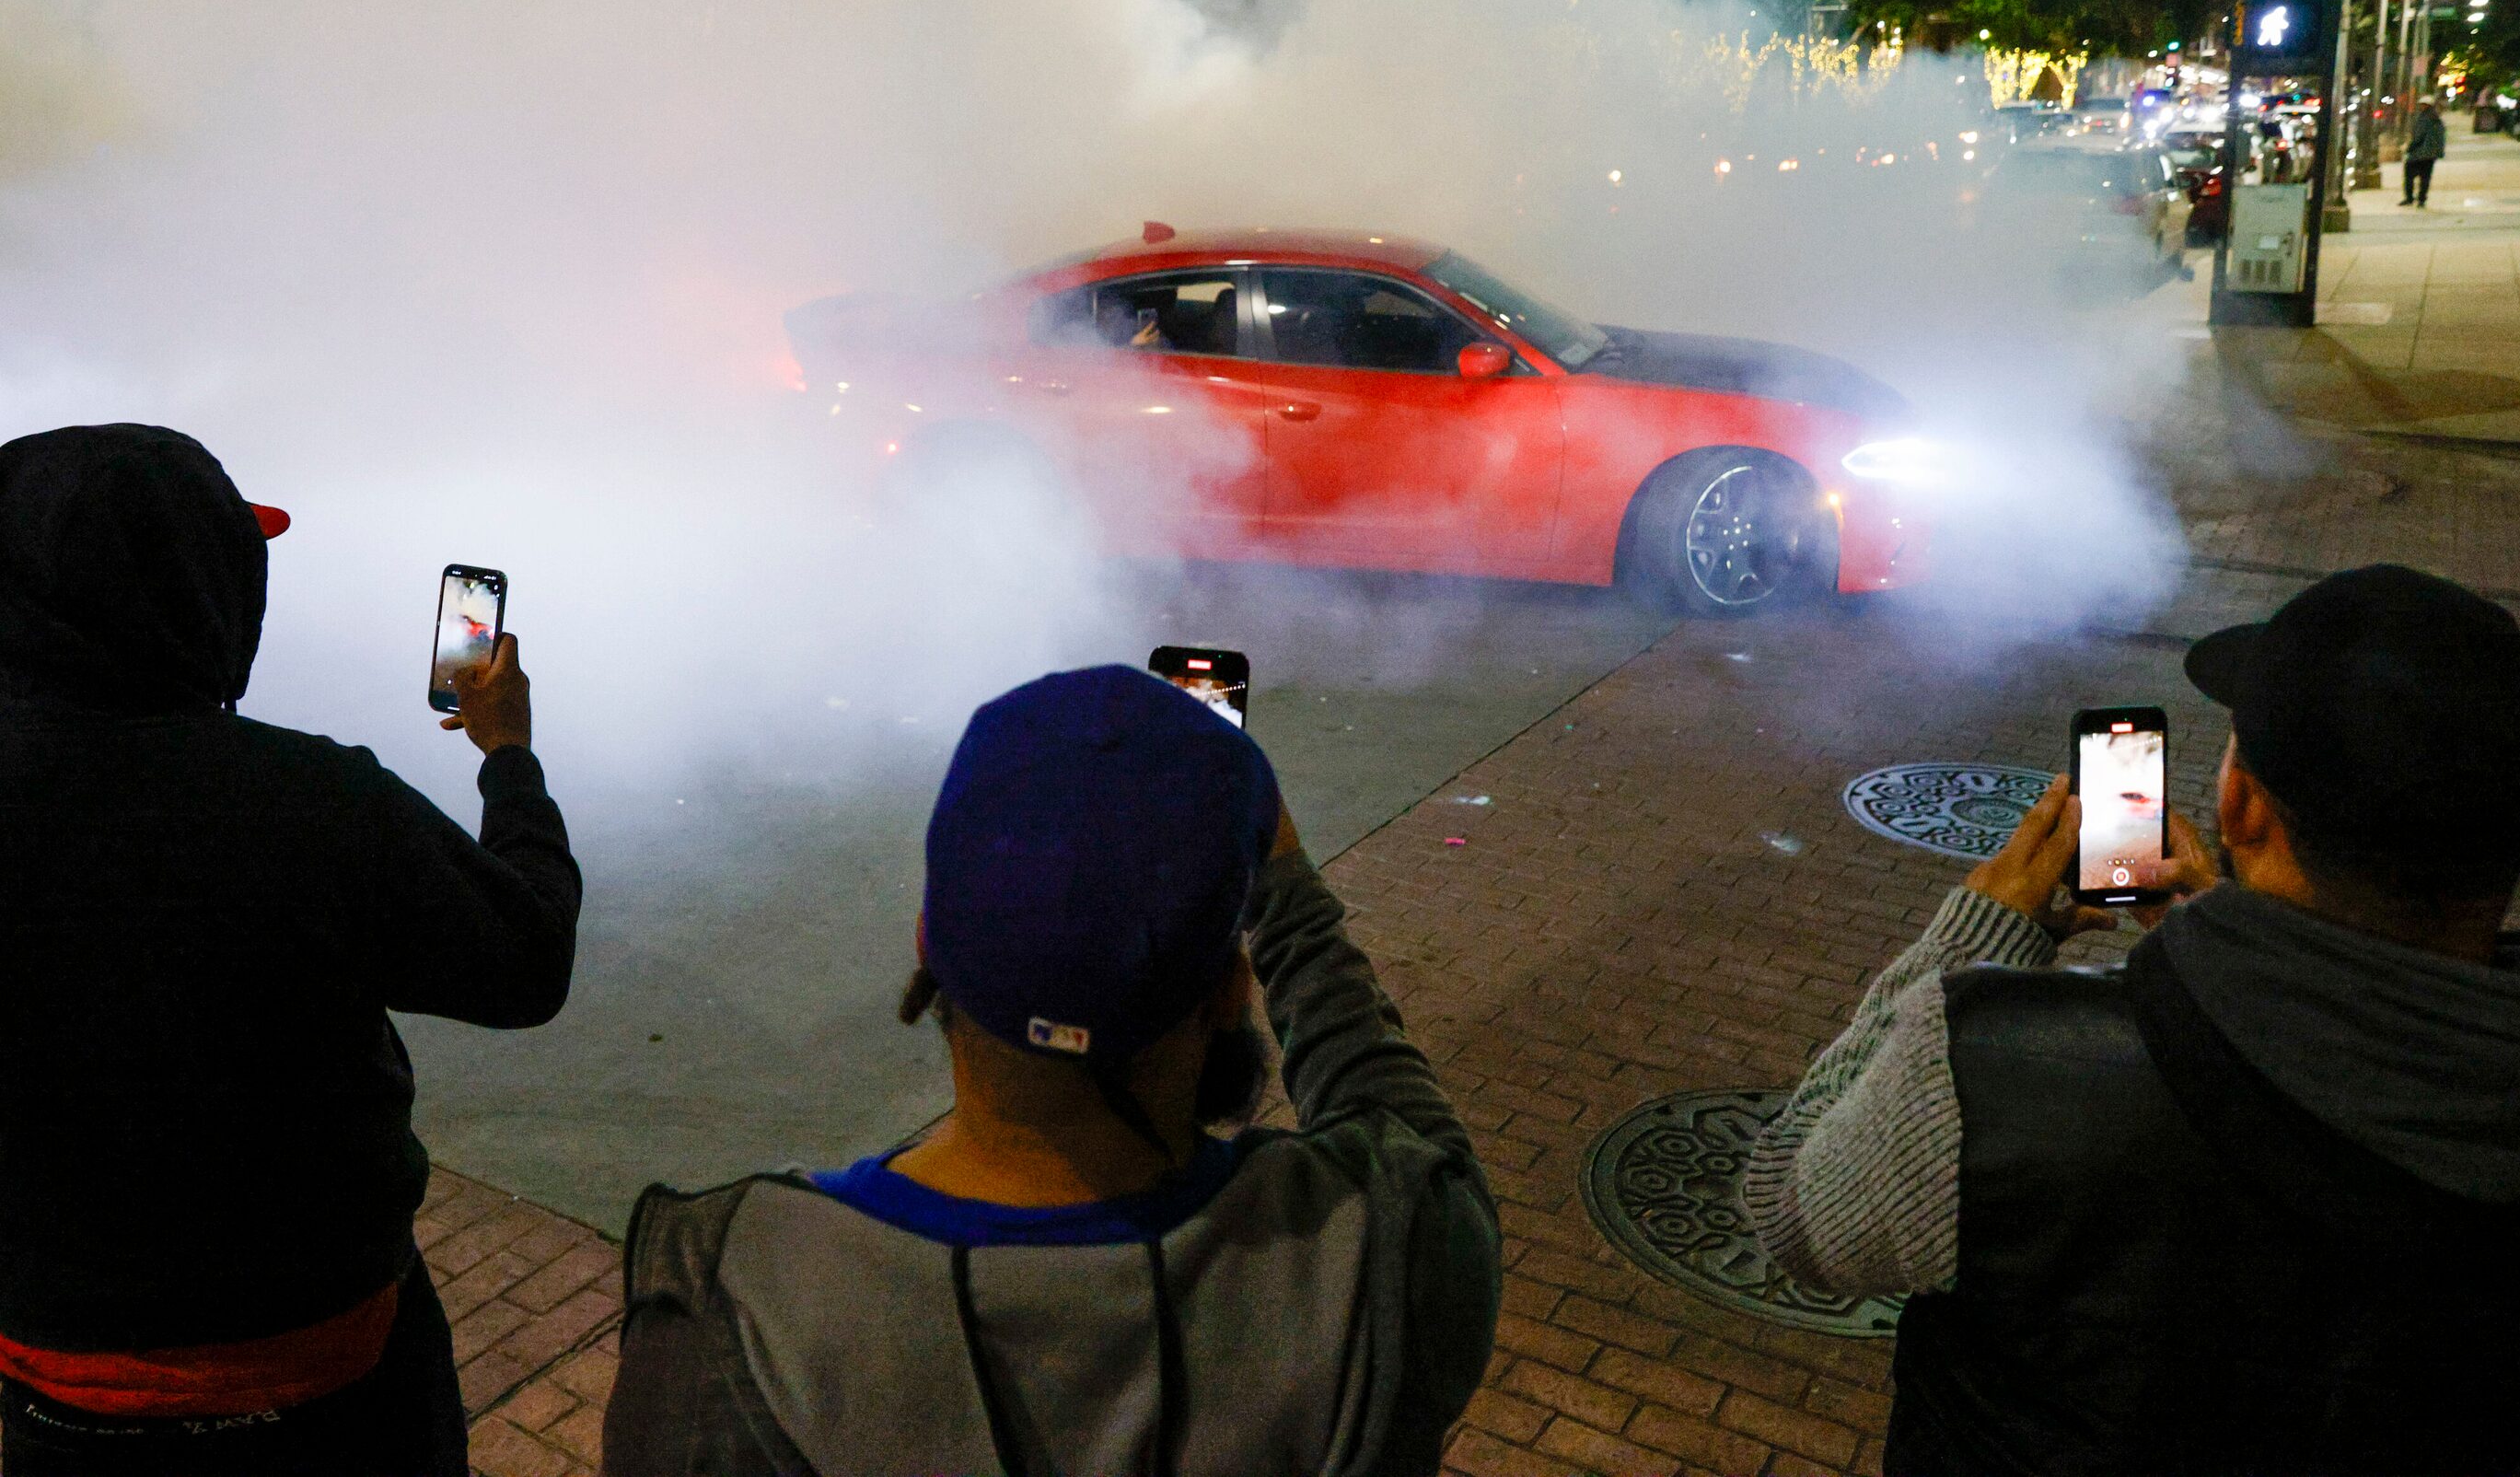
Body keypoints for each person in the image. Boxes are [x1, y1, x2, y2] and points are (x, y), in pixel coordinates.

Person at [1744, 564, 2520, 1476]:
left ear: (2238, 805)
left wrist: (1969, 937)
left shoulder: (1996, 1063)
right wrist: (2215, 942)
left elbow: (1790, 1215)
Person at [604, 664, 1499, 1474]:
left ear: (928, 944)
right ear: (1229, 992)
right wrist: (1284, 889)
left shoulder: (734, 1309)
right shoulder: (1389, 1256)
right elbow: (1382, 1094)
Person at [0, 424, 582, 1475]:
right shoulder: (311, 800)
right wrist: (511, 759)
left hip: (53, 1389)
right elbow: (525, 960)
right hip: (330, 1380)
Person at [2398, 96, 2445, 207]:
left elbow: (2418, 136)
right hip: (2430, 155)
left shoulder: (2423, 118)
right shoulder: (2437, 119)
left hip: (2418, 154)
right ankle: (2421, 199)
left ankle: (2409, 198)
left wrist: (2410, 148)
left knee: (2409, 175)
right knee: (2425, 178)